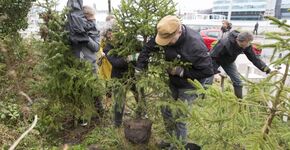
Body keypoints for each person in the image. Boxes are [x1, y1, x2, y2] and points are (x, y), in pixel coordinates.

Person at [135, 15, 214, 149]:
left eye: (168, 41)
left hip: (190, 84)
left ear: (178, 31)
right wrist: (140, 67)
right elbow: (148, 48)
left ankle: (179, 146)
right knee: (165, 109)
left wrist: (181, 72)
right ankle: (171, 139)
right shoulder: (165, 32)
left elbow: (207, 72)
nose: (165, 43)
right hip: (173, 82)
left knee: (180, 116)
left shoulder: (195, 46)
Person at [209, 30, 271, 99]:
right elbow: (213, 57)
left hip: (229, 62)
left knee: (238, 82)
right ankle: (202, 99)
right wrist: (215, 73)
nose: (249, 44)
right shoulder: (225, 43)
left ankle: (239, 102)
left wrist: (266, 69)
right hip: (216, 60)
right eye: (248, 42)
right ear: (244, 41)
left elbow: (254, 58)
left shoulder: (246, 46)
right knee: (208, 79)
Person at [103, 28, 143, 127]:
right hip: (118, 78)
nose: (112, 36)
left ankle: (142, 113)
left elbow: (141, 51)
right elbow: (116, 63)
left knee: (139, 94)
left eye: (113, 33)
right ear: (107, 37)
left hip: (132, 74)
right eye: (109, 35)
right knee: (119, 101)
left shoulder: (127, 42)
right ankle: (117, 124)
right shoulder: (107, 48)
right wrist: (132, 57)